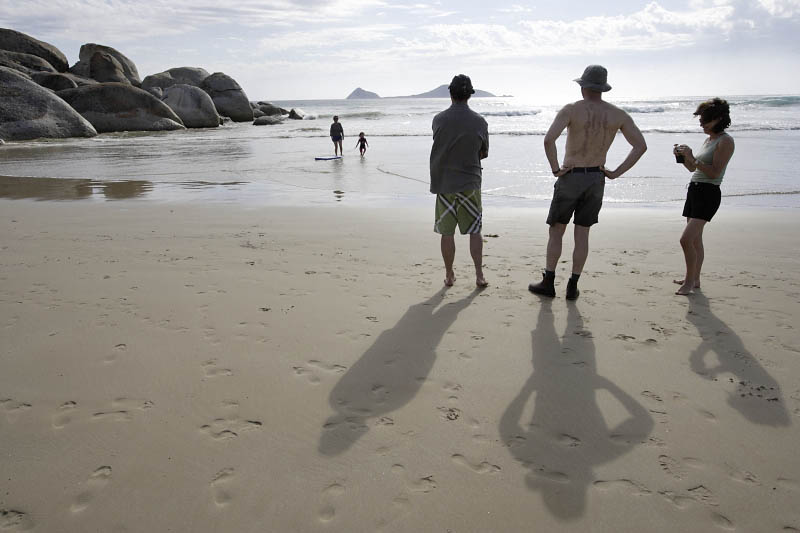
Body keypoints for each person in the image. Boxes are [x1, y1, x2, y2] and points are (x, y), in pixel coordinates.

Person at [529, 65, 647, 300]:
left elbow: (548, 141)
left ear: (583, 87)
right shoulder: (618, 115)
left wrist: (555, 169)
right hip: (596, 177)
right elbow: (640, 146)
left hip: (571, 175)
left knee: (557, 231)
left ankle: (549, 282)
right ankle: (573, 285)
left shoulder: (572, 110)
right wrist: (615, 173)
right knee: (582, 234)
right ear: (603, 88)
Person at [430, 74, 489, 288]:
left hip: (445, 182)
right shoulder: (480, 121)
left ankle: (449, 275)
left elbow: (440, 143)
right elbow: (483, 152)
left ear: (451, 93)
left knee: (447, 232)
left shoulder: (438, 119)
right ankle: (479, 275)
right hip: (470, 182)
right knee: (475, 230)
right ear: (469, 95)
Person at [673, 98, 735, 296]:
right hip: (695, 189)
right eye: (700, 120)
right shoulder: (708, 140)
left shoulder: (726, 141)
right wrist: (683, 158)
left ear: (718, 119)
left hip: (708, 193)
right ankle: (694, 279)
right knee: (696, 240)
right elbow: (692, 168)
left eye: (705, 121)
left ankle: (689, 282)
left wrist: (692, 157)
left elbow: (715, 172)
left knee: (686, 240)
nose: (701, 124)